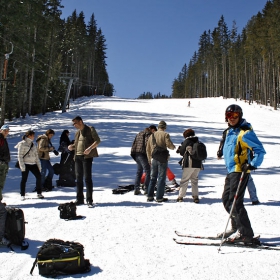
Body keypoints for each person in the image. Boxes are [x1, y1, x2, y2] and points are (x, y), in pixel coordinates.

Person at [217, 104, 266, 242]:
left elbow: (260, 150)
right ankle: (236, 226)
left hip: (240, 170)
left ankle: (246, 234)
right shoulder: (228, 132)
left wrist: (252, 164)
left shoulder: (245, 133)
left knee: (235, 202)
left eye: (235, 116)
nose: (231, 118)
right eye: (229, 116)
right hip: (231, 170)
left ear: (240, 116)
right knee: (226, 200)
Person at [217, 126, 260, 205]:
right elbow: (223, 143)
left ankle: (246, 199)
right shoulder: (227, 132)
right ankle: (252, 198)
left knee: (247, 179)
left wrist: (253, 162)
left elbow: (255, 147)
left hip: (244, 161)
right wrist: (220, 152)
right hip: (233, 162)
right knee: (246, 180)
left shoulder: (243, 132)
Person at [68, 116, 101, 207]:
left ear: (81, 122)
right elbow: (77, 144)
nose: (74, 125)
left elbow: (97, 141)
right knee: (78, 179)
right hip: (77, 157)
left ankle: (89, 200)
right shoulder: (77, 132)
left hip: (87, 157)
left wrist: (90, 148)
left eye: (75, 123)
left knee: (87, 178)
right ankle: (79, 199)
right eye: (73, 123)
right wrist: (72, 147)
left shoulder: (90, 129)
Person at [146, 121, 175, 202]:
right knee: (161, 178)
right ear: (164, 127)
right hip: (162, 159)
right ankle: (159, 197)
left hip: (154, 158)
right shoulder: (165, 134)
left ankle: (150, 196)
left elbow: (147, 149)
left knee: (153, 178)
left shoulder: (152, 135)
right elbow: (170, 145)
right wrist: (173, 147)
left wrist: (149, 159)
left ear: (158, 127)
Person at [15, 131, 44, 200]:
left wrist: (39, 165)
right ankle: (22, 194)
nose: (34, 137)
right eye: (33, 136)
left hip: (33, 163)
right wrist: (22, 166)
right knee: (24, 179)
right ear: (29, 136)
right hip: (25, 164)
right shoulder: (22, 144)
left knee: (39, 177)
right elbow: (20, 156)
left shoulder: (33, 144)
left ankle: (39, 193)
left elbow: (36, 156)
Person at [176, 129, 202, 203]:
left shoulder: (187, 141)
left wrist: (180, 149)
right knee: (194, 180)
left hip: (189, 163)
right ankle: (195, 196)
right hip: (198, 164)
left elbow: (182, 152)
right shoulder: (197, 141)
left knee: (184, 180)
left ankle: (180, 196)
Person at [130, 127, 152, 195]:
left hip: (136, 154)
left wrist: (133, 153)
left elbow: (134, 144)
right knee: (148, 170)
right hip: (143, 154)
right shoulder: (148, 135)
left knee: (139, 171)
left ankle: (136, 188)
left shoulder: (139, 134)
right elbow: (147, 145)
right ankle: (146, 188)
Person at [0, 125, 10, 202]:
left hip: (4, 163)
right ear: (1, 130)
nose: (6, 132)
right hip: (1, 163)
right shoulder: (0, 139)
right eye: (5, 130)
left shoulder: (3, 139)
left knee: (2, 182)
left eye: (7, 130)